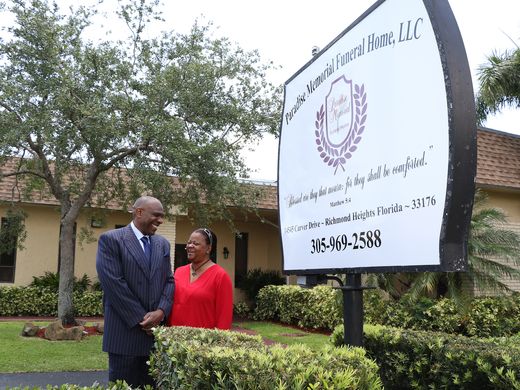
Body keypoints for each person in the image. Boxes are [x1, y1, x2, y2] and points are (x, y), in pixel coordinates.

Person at [96, 196, 174, 388]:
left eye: (162, 216)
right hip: (124, 336)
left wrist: (161, 312)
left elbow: (169, 280)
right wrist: (144, 319)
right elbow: (114, 284)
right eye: (156, 215)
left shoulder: (162, 244)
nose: (160, 220)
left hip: (154, 339)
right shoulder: (111, 240)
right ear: (139, 212)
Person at [168, 228, 233, 330]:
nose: (190, 246)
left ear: (208, 248)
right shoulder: (179, 272)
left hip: (202, 342)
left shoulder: (220, 276)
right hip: (175, 338)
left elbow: (224, 319)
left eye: (195, 243)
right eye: (189, 243)